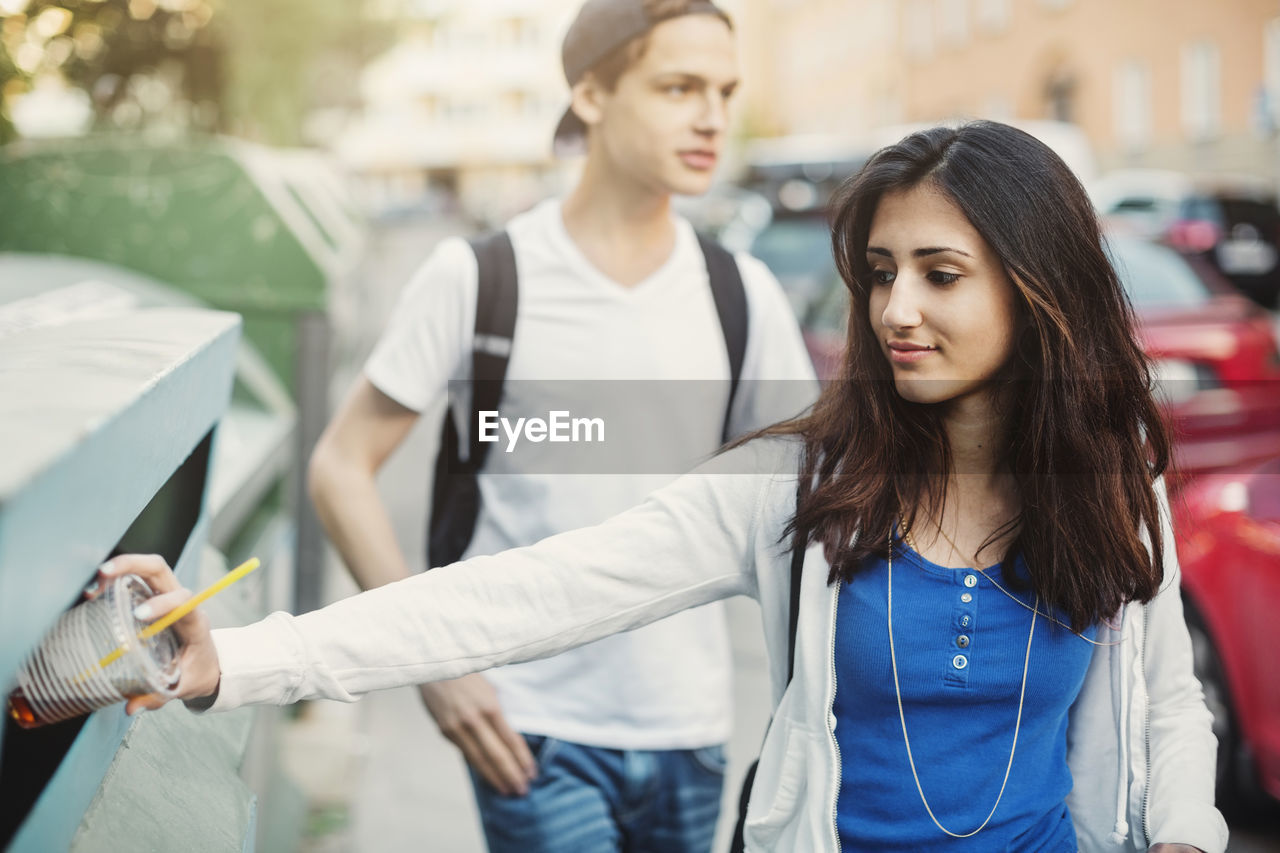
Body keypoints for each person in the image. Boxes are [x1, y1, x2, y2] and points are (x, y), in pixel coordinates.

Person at [108, 121, 1227, 853]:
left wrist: (1180, 831)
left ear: (1040, 292)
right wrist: (243, 658)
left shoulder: (1110, 480)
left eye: (939, 276)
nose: (893, 310)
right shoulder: (798, 485)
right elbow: (527, 592)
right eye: (879, 274)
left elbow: (1166, 698)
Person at [301, 0, 816, 851]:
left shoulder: (741, 294)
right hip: (529, 726)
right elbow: (341, 466)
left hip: (692, 727)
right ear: (592, 94)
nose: (712, 116)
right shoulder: (479, 278)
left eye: (724, 89)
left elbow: (807, 505)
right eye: (679, 86)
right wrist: (435, 667)